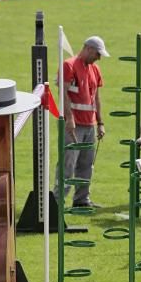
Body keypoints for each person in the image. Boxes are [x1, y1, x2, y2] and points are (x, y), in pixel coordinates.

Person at [53, 35, 110, 208]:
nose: (99, 58)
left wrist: (100, 122)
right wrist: (69, 119)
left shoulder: (95, 69)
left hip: (89, 125)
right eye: (97, 54)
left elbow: (96, 98)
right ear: (88, 48)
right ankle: (57, 202)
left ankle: (81, 200)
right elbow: (63, 94)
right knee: (68, 164)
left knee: (86, 164)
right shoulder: (69, 65)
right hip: (73, 125)